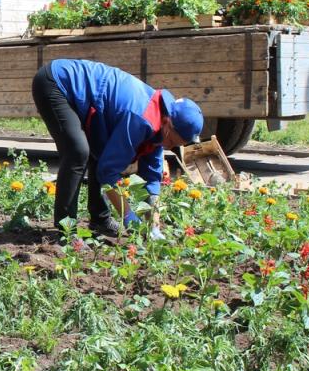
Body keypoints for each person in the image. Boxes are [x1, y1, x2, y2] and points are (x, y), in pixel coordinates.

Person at [32, 59, 203, 238]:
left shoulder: (160, 127)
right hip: (57, 82)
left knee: (100, 153)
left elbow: (152, 179)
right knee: (78, 152)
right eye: (173, 141)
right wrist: (128, 216)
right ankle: (67, 231)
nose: (171, 147)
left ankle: (100, 219)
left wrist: (153, 225)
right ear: (168, 123)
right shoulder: (140, 118)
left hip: (84, 98)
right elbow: (108, 173)